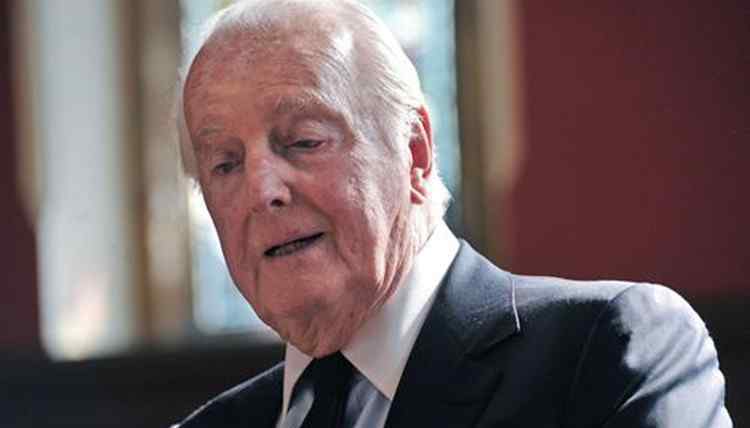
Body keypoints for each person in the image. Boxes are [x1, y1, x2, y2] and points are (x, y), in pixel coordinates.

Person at [173, 1, 732, 427]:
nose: (261, 190)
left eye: (303, 141)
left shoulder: (606, 351)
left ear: (415, 152)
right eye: (224, 164)